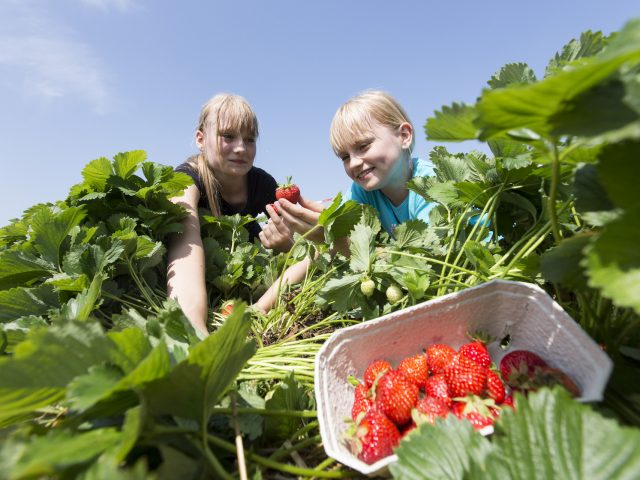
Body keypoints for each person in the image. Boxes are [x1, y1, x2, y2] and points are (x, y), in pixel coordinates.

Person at [254, 90, 435, 313]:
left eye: (363, 146)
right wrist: (258, 308)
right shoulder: (362, 193)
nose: (355, 163)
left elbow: (430, 264)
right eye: (345, 157)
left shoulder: (431, 186)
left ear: (404, 136)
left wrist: (337, 240)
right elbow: (317, 256)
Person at [167, 93, 292, 336]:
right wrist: (192, 329)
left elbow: (293, 247)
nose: (241, 148)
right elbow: (186, 248)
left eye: (249, 139)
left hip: (248, 283)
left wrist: (285, 244)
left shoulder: (264, 184)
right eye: (228, 136)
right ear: (200, 139)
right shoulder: (185, 181)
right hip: (204, 279)